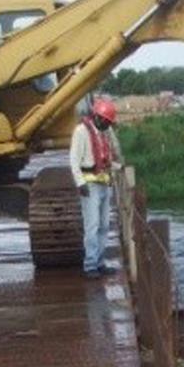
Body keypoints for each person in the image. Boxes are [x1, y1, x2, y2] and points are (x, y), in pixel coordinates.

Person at [69, 96, 122, 279]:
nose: (108, 126)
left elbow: (105, 160)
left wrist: (118, 167)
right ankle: (90, 265)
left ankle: (100, 262)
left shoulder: (102, 133)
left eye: (109, 123)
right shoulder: (81, 132)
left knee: (104, 226)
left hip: (103, 181)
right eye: (106, 122)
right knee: (92, 226)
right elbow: (74, 160)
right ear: (98, 118)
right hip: (89, 184)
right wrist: (80, 183)